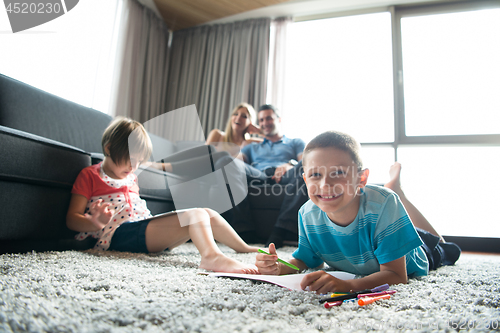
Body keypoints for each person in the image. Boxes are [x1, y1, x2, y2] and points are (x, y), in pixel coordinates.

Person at [255, 131, 461, 293]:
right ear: (305, 179)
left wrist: (350, 286)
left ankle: (399, 192)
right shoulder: (306, 214)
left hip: (415, 252)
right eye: (315, 174)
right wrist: (278, 266)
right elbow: (305, 260)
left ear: (361, 179)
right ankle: (397, 191)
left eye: (338, 173)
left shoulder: (385, 204)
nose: (325, 184)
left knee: (441, 245)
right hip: (380, 232)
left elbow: (397, 275)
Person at [66, 117, 259, 274]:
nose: (134, 167)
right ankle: (211, 257)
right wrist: (93, 223)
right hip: (116, 235)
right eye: (131, 160)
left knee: (206, 212)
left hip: (141, 230)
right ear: (109, 149)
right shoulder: (90, 175)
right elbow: (72, 220)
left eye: (139, 162)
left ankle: (245, 248)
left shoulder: (130, 176)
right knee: (194, 216)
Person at [239, 104, 309, 247]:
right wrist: (245, 138)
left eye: (269, 118)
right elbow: (235, 162)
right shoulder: (252, 146)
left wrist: (290, 164)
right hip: (258, 175)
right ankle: (244, 231)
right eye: (262, 120)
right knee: (228, 164)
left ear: (279, 119)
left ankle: (281, 230)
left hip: (285, 175)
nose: (265, 123)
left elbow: (306, 160)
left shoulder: (295, 142)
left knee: (305, 165)